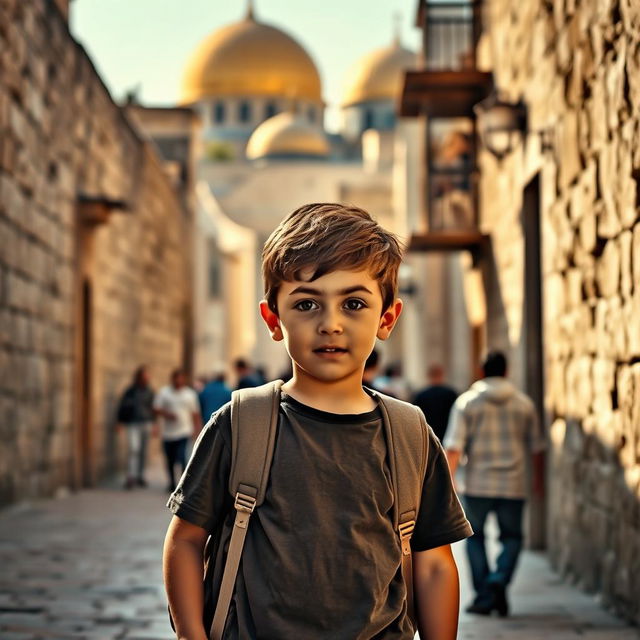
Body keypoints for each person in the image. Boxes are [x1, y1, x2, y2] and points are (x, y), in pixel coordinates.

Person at [164, 203, 472, 639]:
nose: (331, 324)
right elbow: (186, 540)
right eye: (307, 304)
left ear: (386, 318)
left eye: (353, 304)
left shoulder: (408, 433)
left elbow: (433, 561)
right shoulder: (242, 423)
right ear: (273, 319)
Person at [444, 351, 545, 617]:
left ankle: (485, 595)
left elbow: (454, 446)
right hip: (514, 483)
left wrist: (448, 481)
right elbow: (537, 447)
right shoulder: (524, 404)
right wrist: (537, 480)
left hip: (477, 483)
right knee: (512, 537)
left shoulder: (467, 403)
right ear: (506, 371)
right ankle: (499, 579)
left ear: (481, 371)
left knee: (474, 538)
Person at [154, 369, 202, 493]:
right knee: (170, 459)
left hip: (184, 432)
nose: (178, 381)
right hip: (168, 433)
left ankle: (183, 484)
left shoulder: (190, 394)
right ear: (172, 379)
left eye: (181, 378)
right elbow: (156, 409)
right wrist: (167, 415)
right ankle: (171, 482)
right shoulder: (164, 392)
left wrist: (198, 430)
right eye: (176, 378)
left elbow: (195, 413)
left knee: (182, 458)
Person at [116, 365, 155, 489]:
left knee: (143, 451)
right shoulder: (130, 391)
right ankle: (130, 476)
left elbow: (154, 408)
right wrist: (120, 422)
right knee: (134, 449)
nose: (145, 379)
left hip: (146, 423)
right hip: (133, 423)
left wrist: (155, 424)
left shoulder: (150, 391)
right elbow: (122, 406)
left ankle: (140, 475)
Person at [412, 363, 458, 442]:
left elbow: (416, 418)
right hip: (447, 434)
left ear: (428, 376)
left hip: (428, 436)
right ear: (442, 375)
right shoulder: (451, 394)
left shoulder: (421, 395)